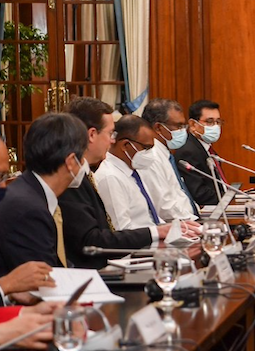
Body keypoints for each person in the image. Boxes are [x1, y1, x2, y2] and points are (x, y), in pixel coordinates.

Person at [60, 98, 175, 269]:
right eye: (110, 133)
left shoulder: (84, 174)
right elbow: (91, 241)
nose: (113, 141)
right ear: (91, 135)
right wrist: (155, 232)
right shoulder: (71, 179)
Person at [0, 113, 88, 274]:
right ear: (70, 162)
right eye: (82, 158)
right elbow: (43, 281)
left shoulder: (32, 193)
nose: (84, 165)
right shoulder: (28, 208)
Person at [94, 115, 166, 230]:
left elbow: (149, 218)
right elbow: (121, 230)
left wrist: (174, 228)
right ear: (125, 145)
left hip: (153, 239)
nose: (151, 154)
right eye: (146, 148)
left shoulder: (133, 170)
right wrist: (159, 233)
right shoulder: (110, 177)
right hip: (138, 246)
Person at [141, 98, 199, 219]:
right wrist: (195, 223)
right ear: (158, 128)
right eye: (178, 126)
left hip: (187, 221)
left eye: (184, 125)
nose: (183, 131)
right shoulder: (152, 157)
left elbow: (178, 194)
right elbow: (164, 207)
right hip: (177, 227)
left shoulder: (165, 154)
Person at [174, 100, 227, 206]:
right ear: (193, 124)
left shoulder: (207, 149)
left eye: (218, 122)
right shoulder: (188, 151)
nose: (216, 127)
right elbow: (200, 194)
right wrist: (228, 199)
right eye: (210, 122)